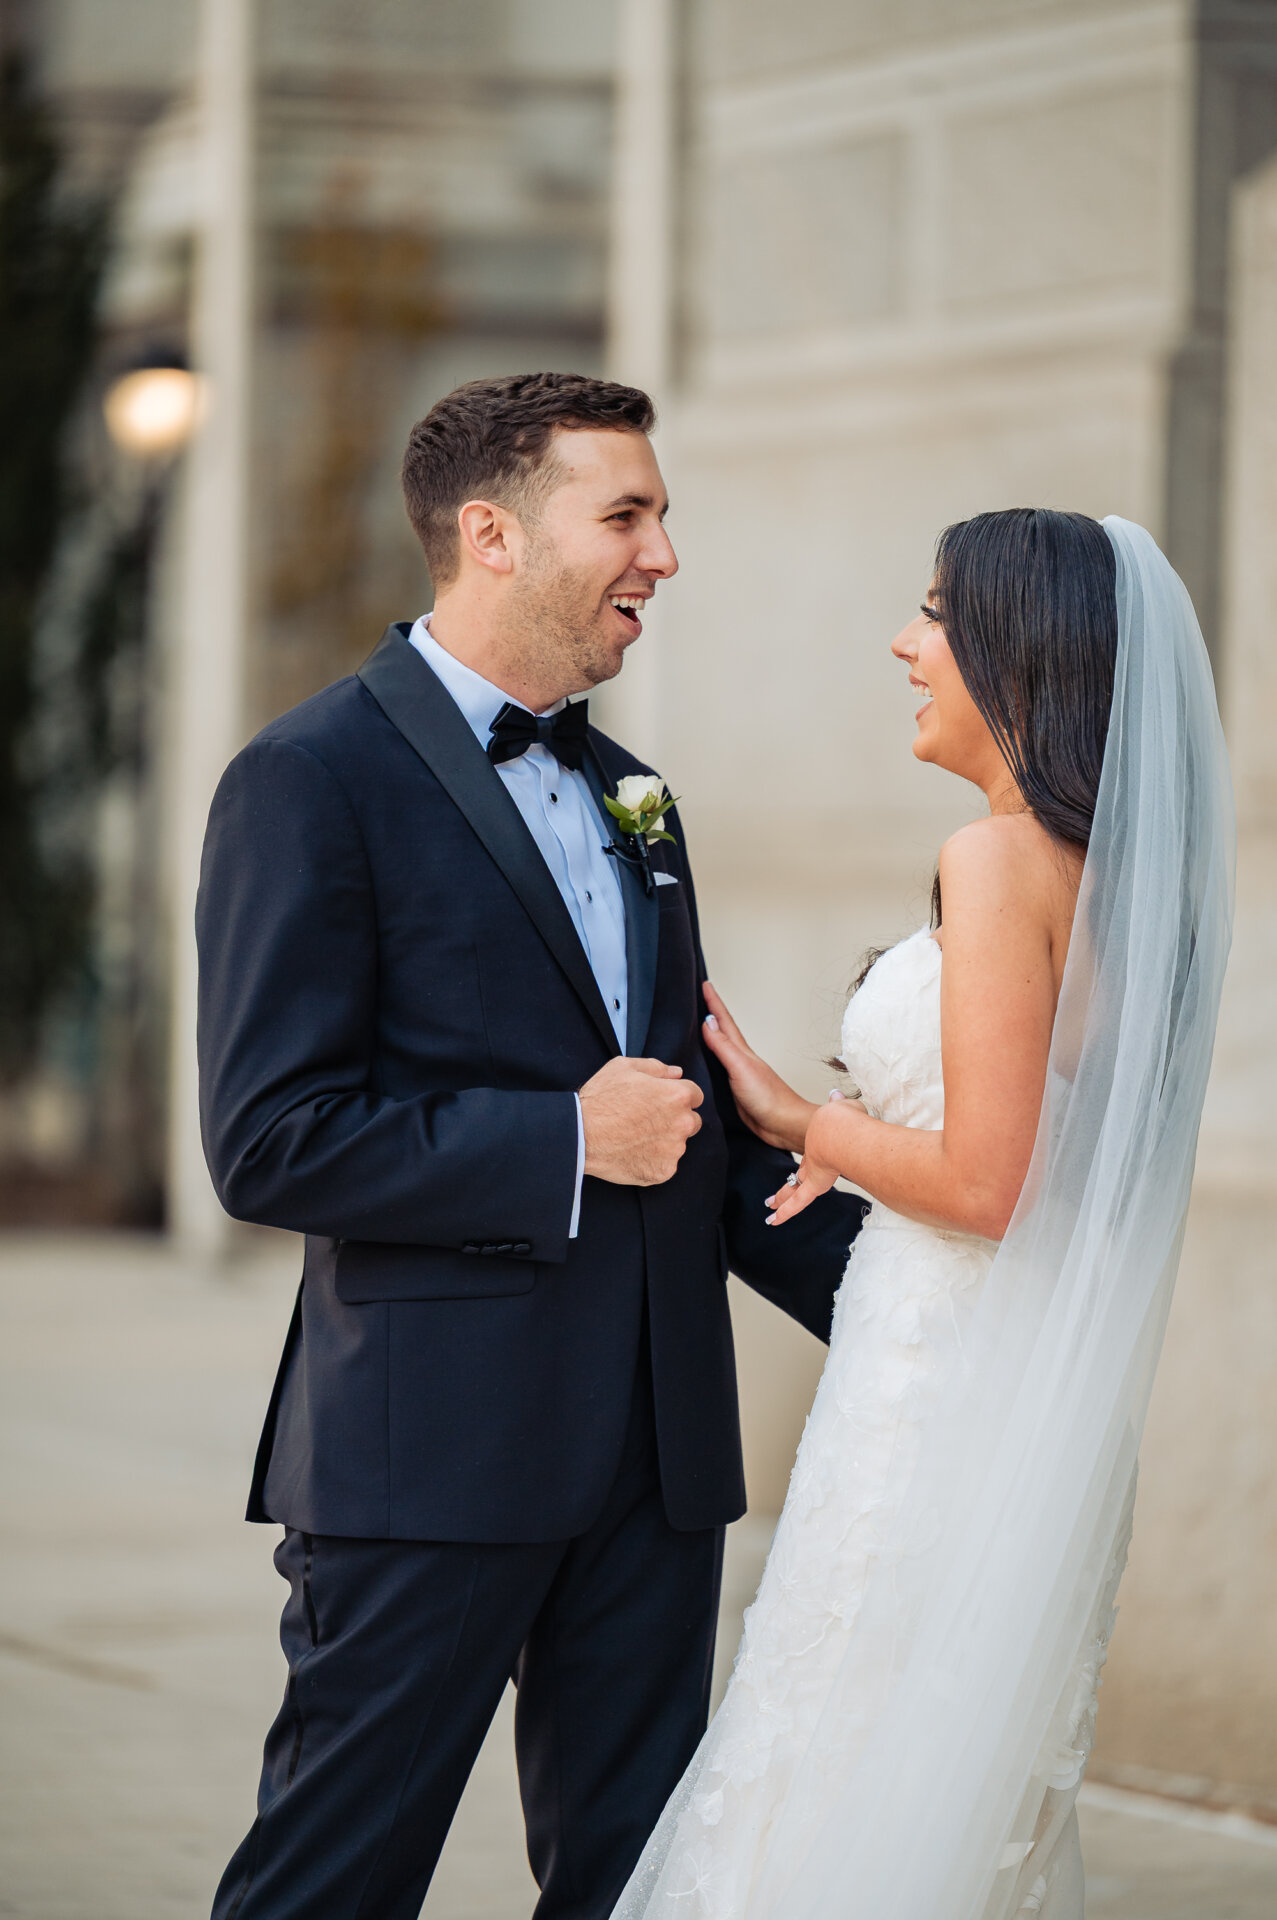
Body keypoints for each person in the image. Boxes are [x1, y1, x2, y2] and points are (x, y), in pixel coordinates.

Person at [197, 371, 867, 1920]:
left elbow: (684, 1136)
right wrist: (558, 1138)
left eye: (663, 515)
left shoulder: (636, 794)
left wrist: (917, 1296)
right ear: (491, 535)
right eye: (624, 515)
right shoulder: (308, 783)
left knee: (637, 1888)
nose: (662, 555)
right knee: (330, 1882)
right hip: (427, 1461)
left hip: (654, 1460)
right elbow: (270, 1138)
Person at [614, 510, 1234, 1920]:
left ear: (1024, 653)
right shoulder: (1116, 879)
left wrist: (801, 1122)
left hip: (935, 1394)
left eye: (937, 615)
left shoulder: (997, 858)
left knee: (843, 1756)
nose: (906, 643)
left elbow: (987, 1185)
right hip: (990, 1379)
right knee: (916, 1773)